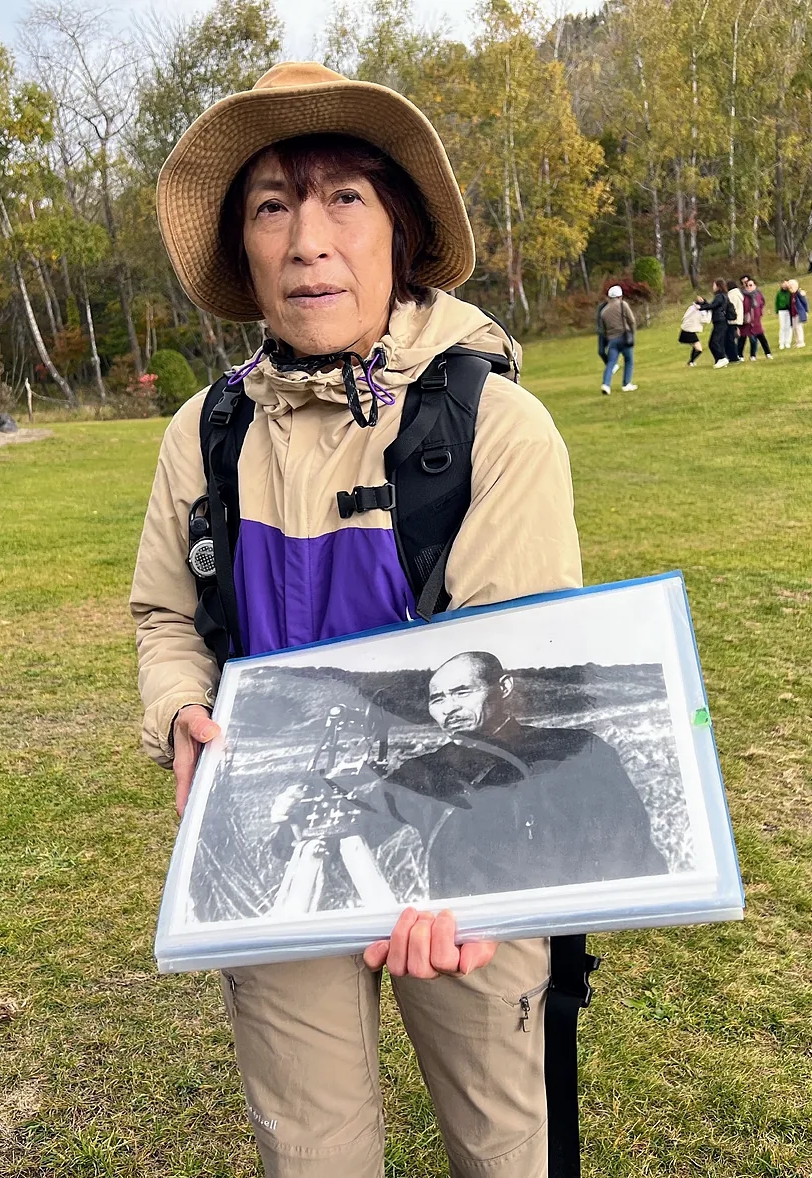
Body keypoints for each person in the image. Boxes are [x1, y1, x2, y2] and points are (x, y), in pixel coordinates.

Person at [131, 60, 585, 1178]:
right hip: (276, 838)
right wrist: (180, 705)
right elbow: (164, 613)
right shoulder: (204, 430)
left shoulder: (499, 426)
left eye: (344, 197)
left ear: (401, 230)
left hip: (461, 851)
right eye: (272, 204)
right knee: (311, 1151)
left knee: (501, 1145)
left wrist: (454, 856)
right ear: (243, 248)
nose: (306, 239)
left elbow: (513, 673)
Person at [383, 652, 667, 898]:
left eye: (462, 692)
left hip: (553, 924)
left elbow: (628, 850)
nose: (449, 708)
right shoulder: (422, 770)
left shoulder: (574, 750)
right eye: (438, 699)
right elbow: (365, 819)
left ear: (504, 687)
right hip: (459, 933)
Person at [600, 283, 638, 394]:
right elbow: (632, 320)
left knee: (611, 363)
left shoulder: (604, 312)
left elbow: (604, 329)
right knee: (629, 360)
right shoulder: (623, 305)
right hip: (624, 337)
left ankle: (606, 384)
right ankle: (626, 384)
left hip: (612, 340)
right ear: (619, 296)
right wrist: (633, 333)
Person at [696, 279, 731, 368]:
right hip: (722, 321)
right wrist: (703, 302)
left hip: (720, 322)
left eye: (714, 285)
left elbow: (712, 306)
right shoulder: (723, 296)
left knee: (713, 342)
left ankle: (722, 358)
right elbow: (713, 306)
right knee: (719, 342)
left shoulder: (719, 296)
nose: (713, 287)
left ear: (718, 286)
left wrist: (700, 307)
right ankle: (720, 360)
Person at [679, 299, 706, 366]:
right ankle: (690, 362)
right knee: (699, 349)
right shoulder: (699, 311)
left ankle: (691, 362)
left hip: (685, 330)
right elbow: (705, 320)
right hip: (689, 331)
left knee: (695, 347)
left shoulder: (691, 308)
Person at [725, 280, 744, 362]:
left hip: (732, 319)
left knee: (730, 339)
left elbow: (730, 307)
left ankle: (734, 356)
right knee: (733, 337)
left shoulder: (731, 295)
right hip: (738, 319)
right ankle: (735, 355)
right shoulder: (738, 294)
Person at [788, 278, 809, 347]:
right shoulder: (791, 295)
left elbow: (805, 303)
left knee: (798, 327)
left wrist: (806, 311)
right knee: (794, 328)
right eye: (789, 287)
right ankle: (797, 341)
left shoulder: (799, 293)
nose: (790, 288)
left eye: (791, 287)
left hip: (799, 313)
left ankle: (801, 341)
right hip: (793, 314)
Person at [775, 280, 792, 349]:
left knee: (788, 326)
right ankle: (781, 342)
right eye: (783, 284)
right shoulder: (779, 293)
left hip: (789, 310)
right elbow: (777, 302)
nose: (784, 286)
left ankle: (787, 342)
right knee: (782, 327)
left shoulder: (789, 292)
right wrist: (777, 311)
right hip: (781, 311)